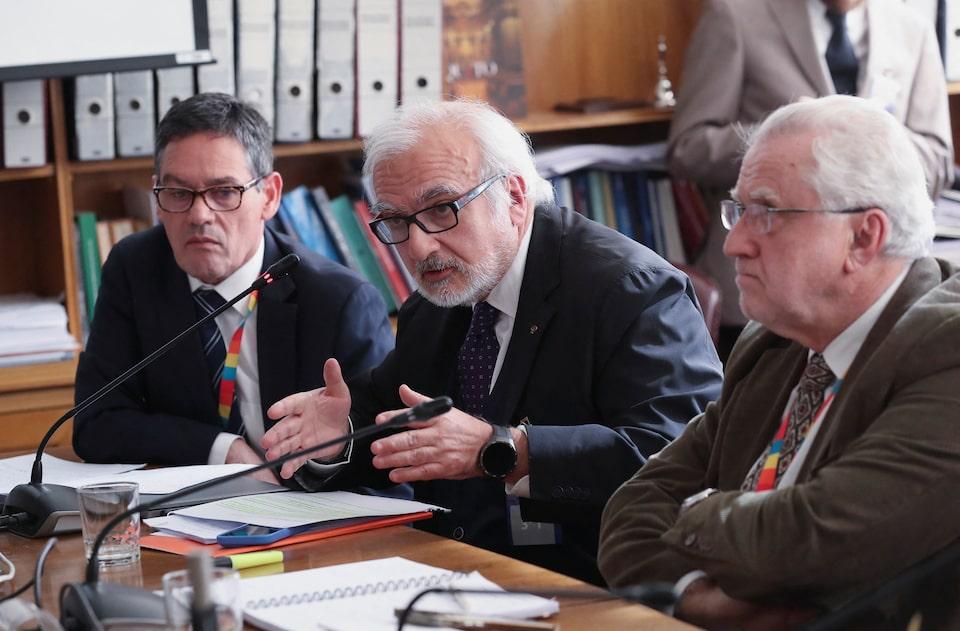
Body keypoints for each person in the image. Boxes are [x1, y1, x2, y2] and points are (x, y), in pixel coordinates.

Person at [260, 99, 723, 583]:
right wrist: (340, 437)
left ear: (515, 196)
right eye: (395, 221)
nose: (418, 247)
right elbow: (401, 428)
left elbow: (680, 454)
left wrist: (507, 449)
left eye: (442, 209)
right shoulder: (436, 305)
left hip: (593, 584)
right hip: (450, 577)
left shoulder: (630, 291)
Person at [598, 95, 960, 628]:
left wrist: (695, 510)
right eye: (739, 210)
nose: (735, 244)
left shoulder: (947, 348)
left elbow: (812, 539)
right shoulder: (774, 341)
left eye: (766, 214)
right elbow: (631, 510)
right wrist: (694, 595)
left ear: (864, 237)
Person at [73, 93, 394, 488]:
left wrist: (329, 455)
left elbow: (384, 465)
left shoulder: (340, 302)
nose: (199, 215)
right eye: (178, 193)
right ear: (156, 198)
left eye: (224, 192)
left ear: (269, 196)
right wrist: (223, 450)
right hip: (183, 511)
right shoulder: (135, 269)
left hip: (306, 509)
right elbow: (96, 422)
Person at [668, 0, 953, 346]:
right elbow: (688, 148)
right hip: (758, 292)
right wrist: (785, 134)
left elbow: (939, 159)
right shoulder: (735, 15)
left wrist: (863, 144)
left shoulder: (913, 27)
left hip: (873, 295)